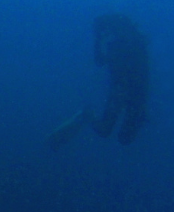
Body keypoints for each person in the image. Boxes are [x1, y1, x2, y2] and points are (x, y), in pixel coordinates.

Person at [50, 14, 149, 148]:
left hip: (133, 93)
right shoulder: (118, 44)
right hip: (121, 92)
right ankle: (86, 115)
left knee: (124, 138)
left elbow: (141, 72)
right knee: (106, 131)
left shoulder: (134, 42)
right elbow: (101, 62)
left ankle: (87, 115)